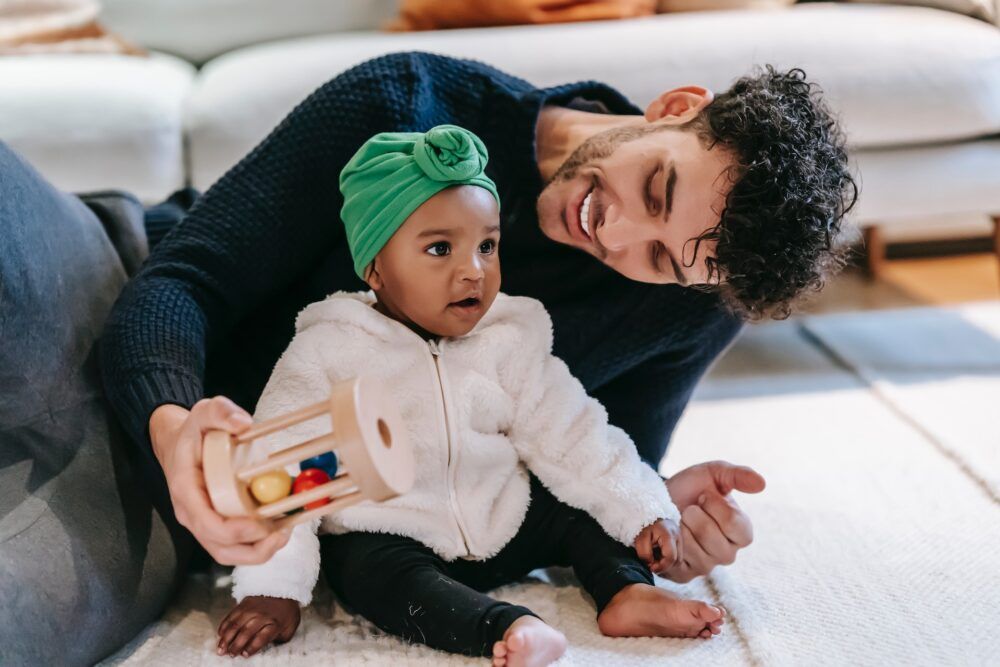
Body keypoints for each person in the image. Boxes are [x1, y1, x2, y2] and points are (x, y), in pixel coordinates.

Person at [0, 51, 853, 664]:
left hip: (195, 506)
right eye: (655, 188)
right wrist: (176, 427)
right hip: (115, 283)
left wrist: (659, 515)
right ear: (675, 107)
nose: (618, 232)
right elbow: (185, 282)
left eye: (663, 256)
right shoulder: (407, 106)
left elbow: (565, 468)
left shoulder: (684, 310)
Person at [216, 125, 726, 664]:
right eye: (440, 249)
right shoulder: (328, 348)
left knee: (577, 508)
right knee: (370, 575)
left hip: (501, 515)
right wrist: (271, 588)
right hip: (393, 532)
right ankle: (502, 629)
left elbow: (571, 429)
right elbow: (285, 464)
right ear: (376, 268)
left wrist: (644, 506)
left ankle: (625, 591)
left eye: (487, 245)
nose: (473, 271)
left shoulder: (511, 336)